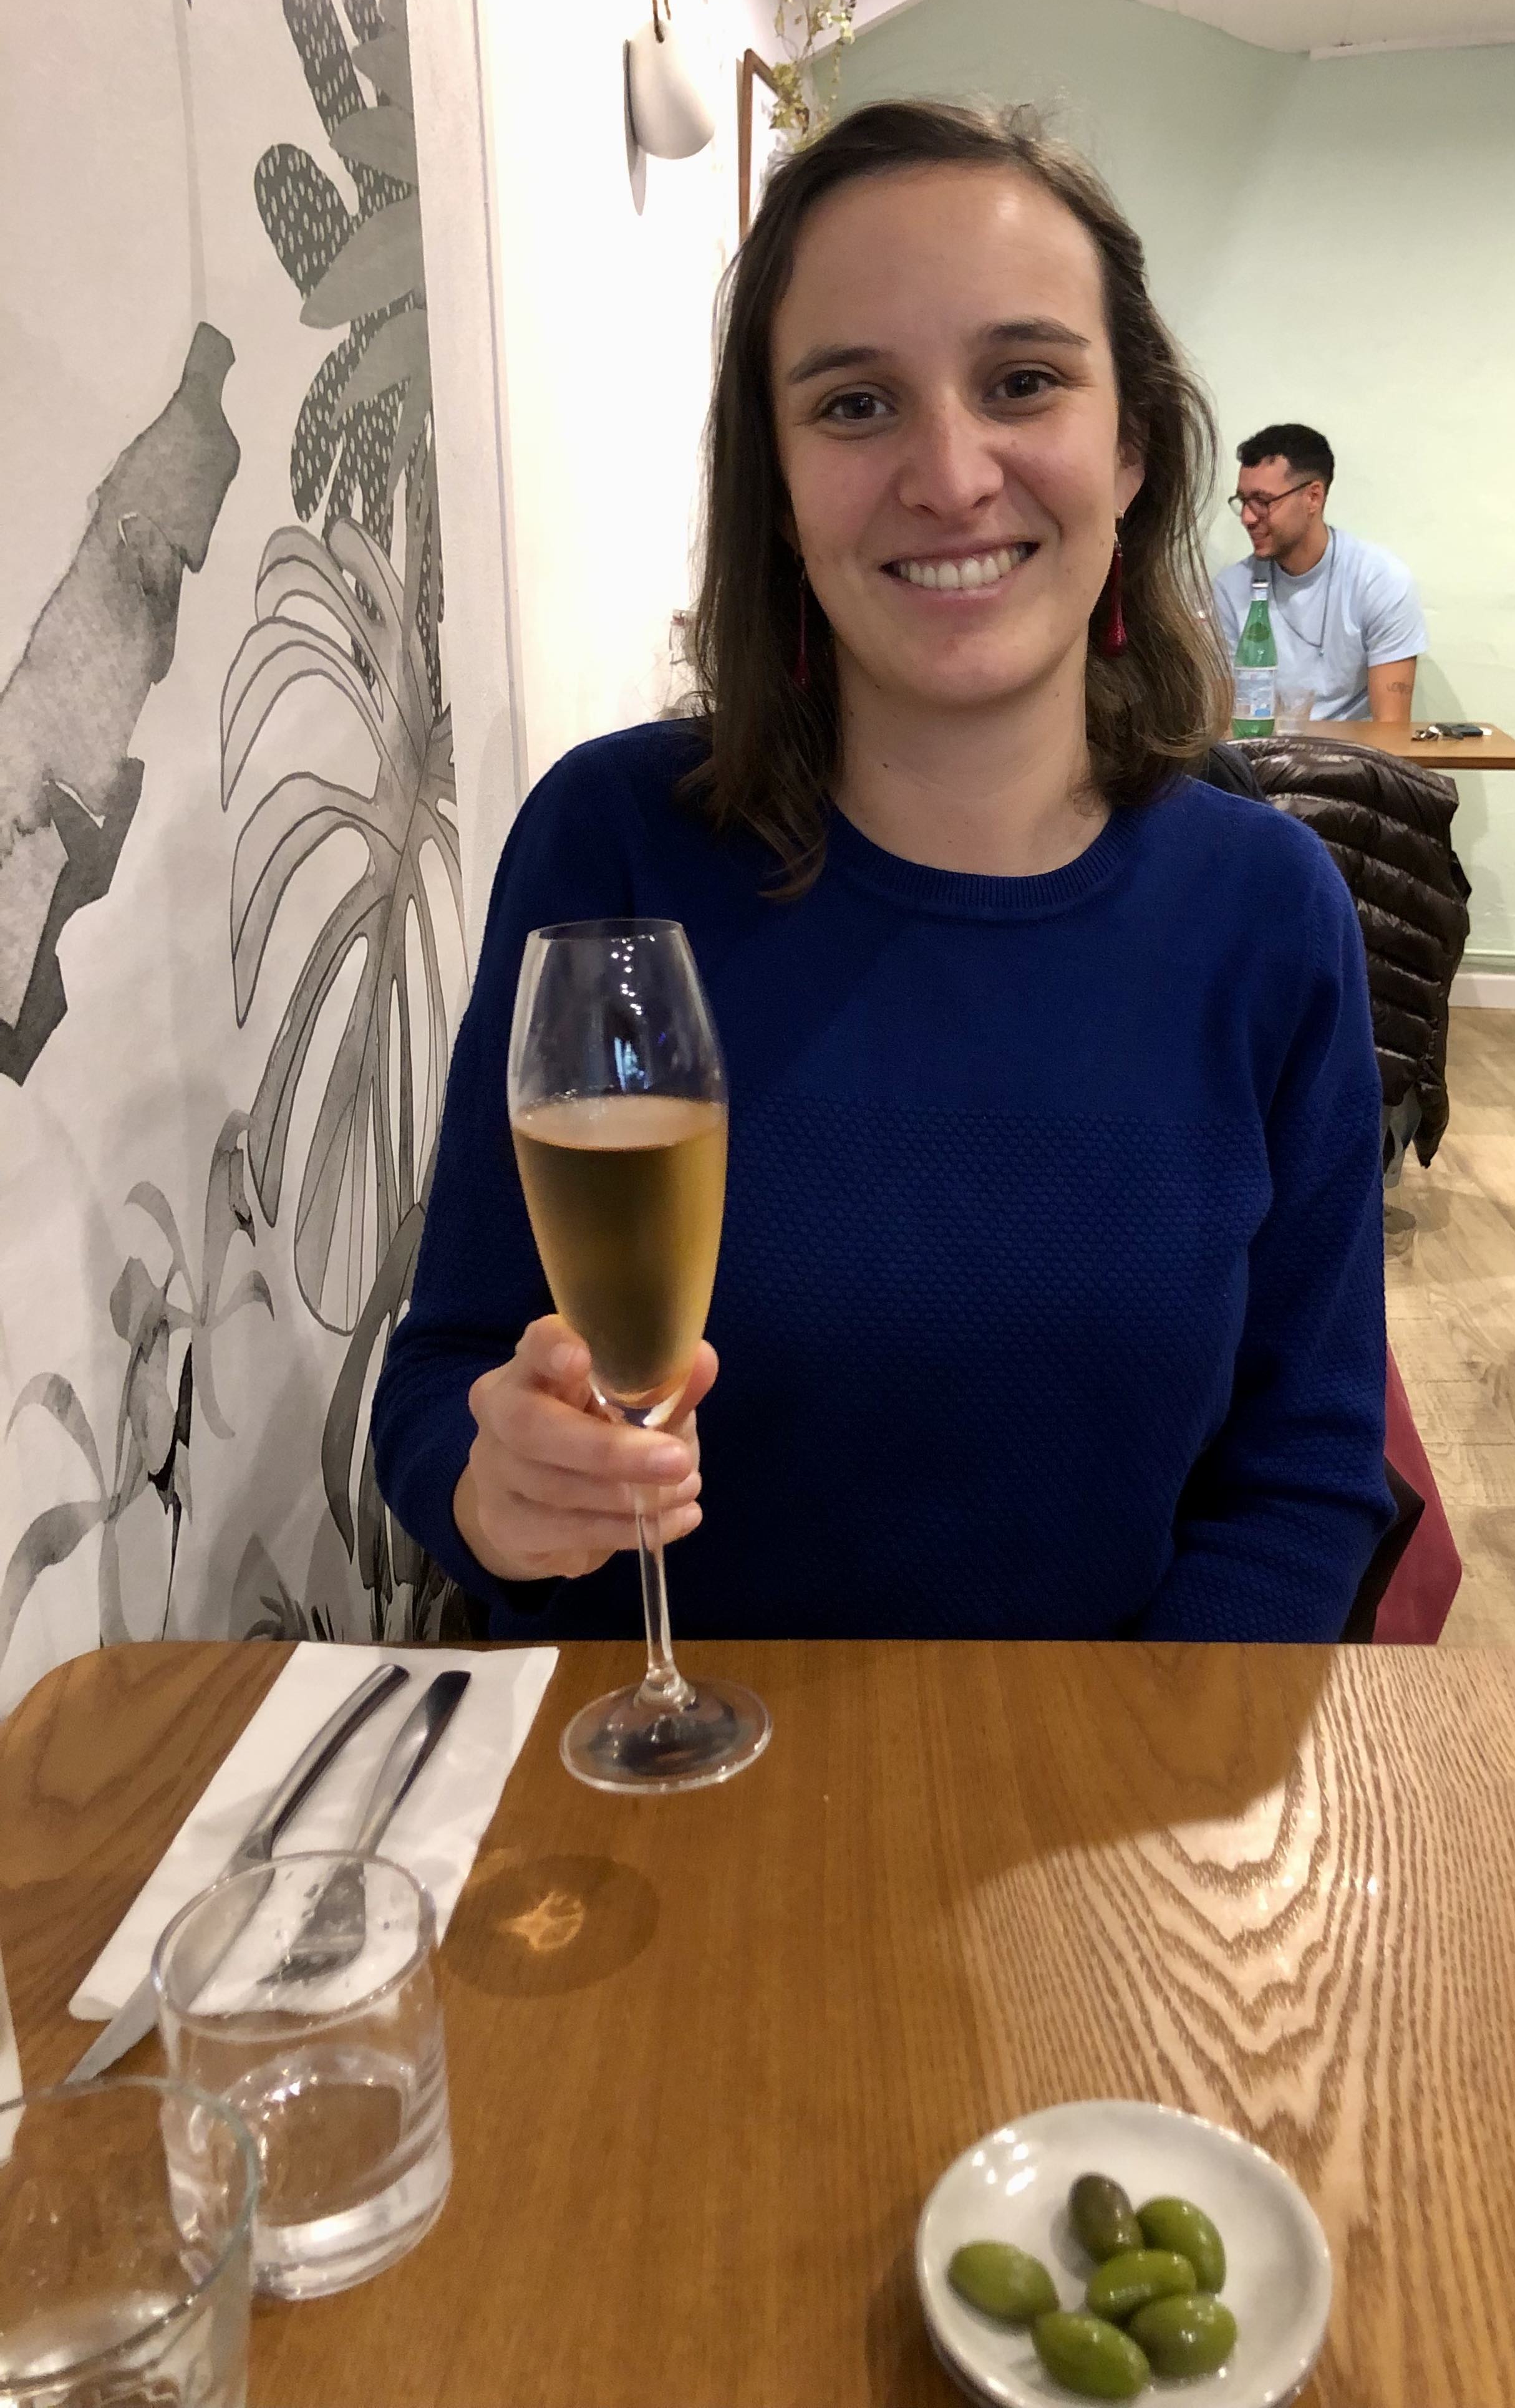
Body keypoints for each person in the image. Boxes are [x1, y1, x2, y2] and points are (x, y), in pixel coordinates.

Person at [370, 101, 1395, 1645]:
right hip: (653, 1764)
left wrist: (1133, 1768)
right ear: (779, 486)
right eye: (856, 405)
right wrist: (494, 1486)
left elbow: (1305, 1474)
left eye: (1023, 381)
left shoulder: (1268, 911)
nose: (951, 474)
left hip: (1116, 1773)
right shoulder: (613, 844)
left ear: (1130, 449)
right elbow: (444, 1373)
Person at [1210, 424, 1426, 723]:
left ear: (1313, 497)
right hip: (1264, 750)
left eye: (1263, 502)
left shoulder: (1379, 581)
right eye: (1244, 501)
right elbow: (1229, 719)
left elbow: (1390, 728)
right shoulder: (1231, 589)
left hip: (1356, 752)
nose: (1248, 518)